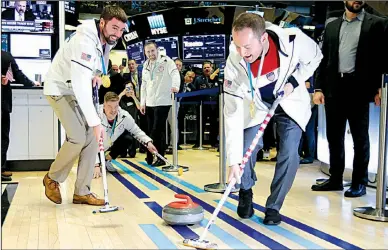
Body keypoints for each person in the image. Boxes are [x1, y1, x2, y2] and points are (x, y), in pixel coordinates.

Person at [225, 13, 322, 225]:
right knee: (244, 151)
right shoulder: (234, 59)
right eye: (238, 46)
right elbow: (231, 111)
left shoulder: (294, 40)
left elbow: (316, 57)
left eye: (247, 47)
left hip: (289, 102)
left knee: (289, 153)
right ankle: (246, 190)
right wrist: (233, 161)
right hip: (257, 106)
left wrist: (294, 82)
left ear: (263, 39)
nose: (242, 53)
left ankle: (274, 206)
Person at [42, 6, 128, 206]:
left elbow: (100, 62)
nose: (118, 34)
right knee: (78, 136)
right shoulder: (84, 41)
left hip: (73, 89)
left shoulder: (106, 40)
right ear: (102, 23)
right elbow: (81, 86)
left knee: (90, 137)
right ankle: (51, 178)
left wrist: (97, 74)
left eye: (121, 30)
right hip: (59, 89)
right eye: (114, 28)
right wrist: (97, 123)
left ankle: (82, 191)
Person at [311, 1, 388, 197]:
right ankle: (335, 178)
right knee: (334, 136)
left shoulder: (376, 24)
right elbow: (323, 58)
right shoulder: (332, 25)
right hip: (334, 87)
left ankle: (359, 182)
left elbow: (382, 58)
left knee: (360, 137)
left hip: (359, 88)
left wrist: (380, 86)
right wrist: (318, 87)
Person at [93, 92, 157, 179]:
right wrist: (96, 165)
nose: (113, 110)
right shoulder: (95, 115)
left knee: (127, 138)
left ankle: (106, 160)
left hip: (109, 144)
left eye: (116, 106)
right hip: (94, 148)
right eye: (109, 107)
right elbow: (91, 143)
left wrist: (148, 142)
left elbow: (136, 130)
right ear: (104, 105)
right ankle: (97, 162)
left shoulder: (124, 115)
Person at [1, 50, 40, 182]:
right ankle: (1, 168)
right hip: (2, 103)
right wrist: (32, 83)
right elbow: (18, 75)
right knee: (3, 137)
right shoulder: (5, 56)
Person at [140, 42, 180, 166]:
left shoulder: (166, 61)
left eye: (152, 51)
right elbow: (144, 85)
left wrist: (175, 86)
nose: (151, 54)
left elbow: (175, 74)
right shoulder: (145, 65)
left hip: (163, 101)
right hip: (150, 102)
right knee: (152, 130)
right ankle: (154, 156)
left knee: (157, 130)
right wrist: (142, 102)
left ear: (157, 50)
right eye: (148, 52)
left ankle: (157, 156)